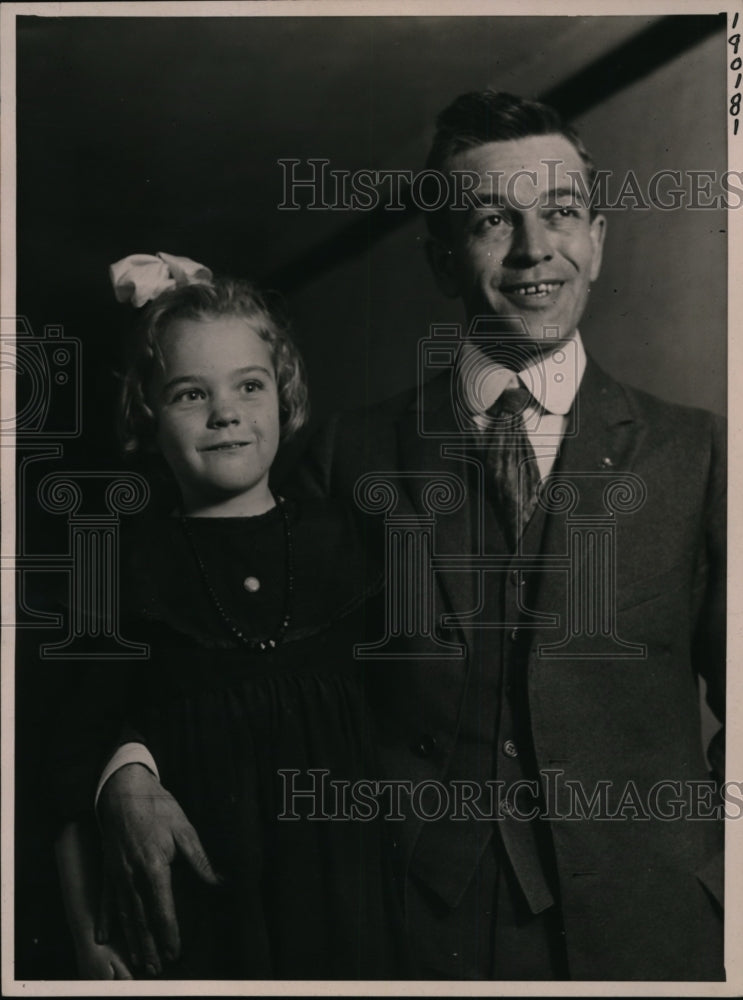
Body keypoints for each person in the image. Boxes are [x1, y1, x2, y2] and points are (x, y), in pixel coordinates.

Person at [88, 91, 726, 982]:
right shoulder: (352, 451)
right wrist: (127, 767)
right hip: (413, 930)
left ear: (597, 237)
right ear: (440, 256)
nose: (533, 248)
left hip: (650, 933)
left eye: (559, 213)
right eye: (491, 220)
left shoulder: (695, 451)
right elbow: (224, 646)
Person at [53, 255, 405, 980]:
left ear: (284, 395)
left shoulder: (350, 541)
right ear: (146, 415)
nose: (226, 412)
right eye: (191, 393)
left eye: (249, 385)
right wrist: (88, 937)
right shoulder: (119, 567)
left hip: (343, 902)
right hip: (200, 914)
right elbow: (67, 760)